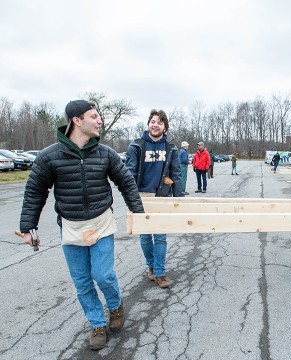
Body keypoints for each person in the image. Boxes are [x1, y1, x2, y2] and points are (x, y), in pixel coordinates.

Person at [19, 99, 144, 350]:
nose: (100, 121)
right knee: (83, 282)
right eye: (94, 116)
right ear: (77, 120)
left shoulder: (106, 153)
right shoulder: (48, 157)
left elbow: (126, 182)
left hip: (102, 223)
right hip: (71, 227)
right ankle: (97, 323)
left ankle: (115, 305)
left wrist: (138, 213)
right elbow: (35, 192)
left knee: (103, 275)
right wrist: (28, 227)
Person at [126, 109, 184, 290]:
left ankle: (159, 272)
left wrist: (178, 198)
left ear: (165, 127)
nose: (155, 125)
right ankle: (150, 265)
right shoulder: (136, 146)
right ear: (148, 124)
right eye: (152, 121)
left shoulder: (171, 148)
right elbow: (129, 173)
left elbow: (176, 174)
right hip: (141, 197)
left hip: (162, 197)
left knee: (160, 237)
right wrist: (131, 196)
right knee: (145, 237)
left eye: (159, 122)